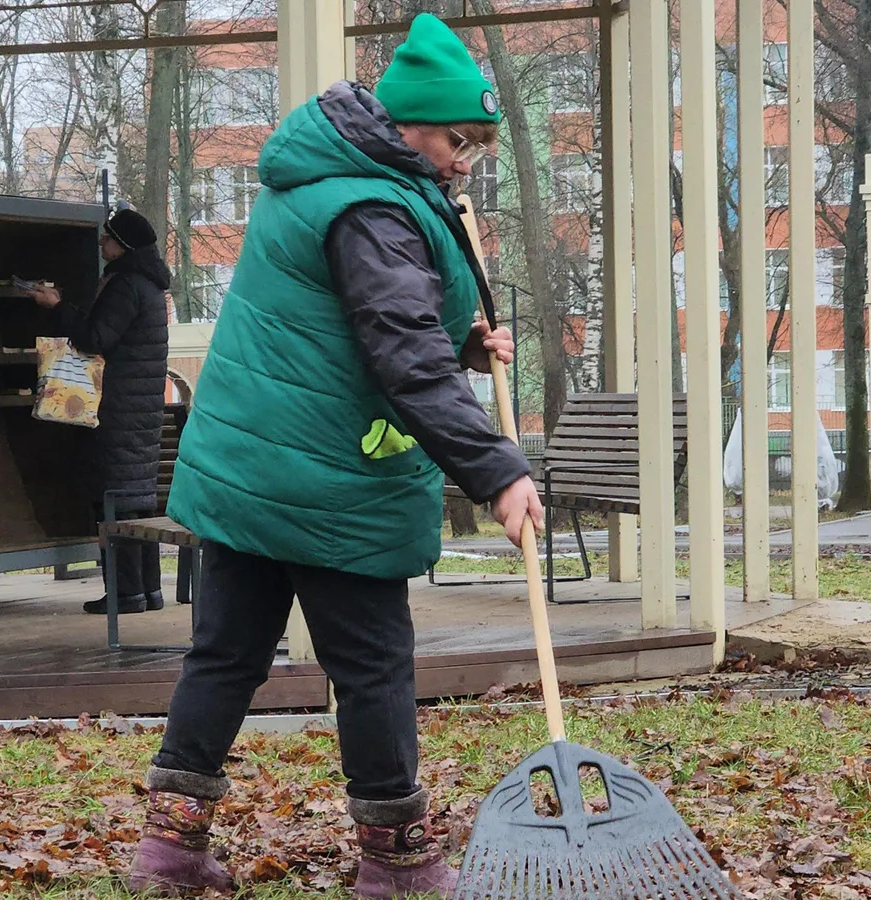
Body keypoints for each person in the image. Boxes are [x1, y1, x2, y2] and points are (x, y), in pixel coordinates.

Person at [126, 14, 544, 899]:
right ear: (407, 126)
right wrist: (498, 470)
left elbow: (346, 325)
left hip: (249, 465)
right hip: (326, 479)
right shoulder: (373, 206)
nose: (467, 161)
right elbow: (402, 354)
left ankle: (169, 851)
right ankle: (399, 862)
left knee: (225, 654)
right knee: (373, 666)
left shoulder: (324, 177)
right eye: (457, 140)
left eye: (477, 145)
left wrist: (464, 345)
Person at [29, 207, 172, 615]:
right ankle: (147, 591)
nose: (101, 242)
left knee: (114, 500)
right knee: (137, 502)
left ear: (122, 245)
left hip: (116, 407)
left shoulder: (126, 285)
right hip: (140, 410)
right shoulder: (149, 285)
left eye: (107, 237)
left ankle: (125, 595)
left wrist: (57, 307)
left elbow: (95, 338)